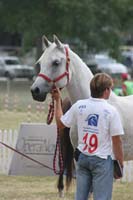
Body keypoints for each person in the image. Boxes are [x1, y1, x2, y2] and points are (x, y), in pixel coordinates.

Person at [52, 73, 124, 200]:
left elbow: (60, 123)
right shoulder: (111, 111)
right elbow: (116, 141)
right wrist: (120, 163)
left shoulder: (80, 105)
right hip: (101, 160)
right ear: (106, 90)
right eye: (110, 89)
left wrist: (58, 100)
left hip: (83, 158)